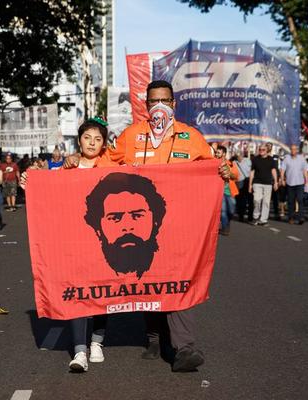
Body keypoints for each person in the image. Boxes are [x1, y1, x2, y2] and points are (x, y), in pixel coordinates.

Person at [64, 80, 228, 373]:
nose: (159, 106)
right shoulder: (131, 136)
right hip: (143, 228)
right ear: (146, 105)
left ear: (174, 104)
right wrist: (77, 161)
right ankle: (154, 337)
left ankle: (184, 348)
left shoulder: (190, 137)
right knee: (148, 282)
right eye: (153, 101)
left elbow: (215, 167)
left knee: (178, 282)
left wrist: (229, 170)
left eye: (164, 100)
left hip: (180, 226)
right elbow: (103, 161)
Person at [21, 118, 110, 372]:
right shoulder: (66, 168)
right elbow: (45, 189)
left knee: (105, 293)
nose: (92, 143)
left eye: (98, 139)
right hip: (74, 242)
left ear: (104, 144)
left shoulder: (112, 166)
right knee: (79, 294)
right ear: (79, 140)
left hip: (104, 244)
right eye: (87, 138)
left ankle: (97, 342)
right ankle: (79, 351)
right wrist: (30, 182)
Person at [249, 144, 278, 226]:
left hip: (268, 183)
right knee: (257, 200)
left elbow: (274, 171)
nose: (261, 151)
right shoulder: (255, 159)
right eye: (260, 149)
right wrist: (250, 185)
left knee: (266, 202)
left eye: (263, 150)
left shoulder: (271, 160)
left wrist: (276, 182)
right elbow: (252, 172)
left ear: (267, 150)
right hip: (257, 183)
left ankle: (263, 220)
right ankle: (256, 216)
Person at [280, 144, 308, 224]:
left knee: (300, 199)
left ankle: (301, 217)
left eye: (295, 149)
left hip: (300, 183)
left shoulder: (302, 159)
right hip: (290, 183)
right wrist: (282, 180)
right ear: (290, 150)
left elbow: (305, 171)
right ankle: (291, 217)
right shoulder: (286, 159)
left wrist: (307, 182)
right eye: (292, 149)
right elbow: (282, 170)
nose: (293, 151)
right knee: (291, 201)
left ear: (297, 150)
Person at [215, 145, 239, 235]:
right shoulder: (213, 163)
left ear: (224, 154)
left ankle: (227, 223)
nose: (216, 154)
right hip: (220, 192)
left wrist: (229, 173)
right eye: (216, 152)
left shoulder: (231, 164)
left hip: (230, 191)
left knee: (231, 210)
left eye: (218, 152)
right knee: (223, 211)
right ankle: (225, 228)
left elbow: (236, 176)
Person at [233, 151, 252, 222]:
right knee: (240, 199)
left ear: (242, 155)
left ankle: (250, 216)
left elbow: (251, 170)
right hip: (239, 182)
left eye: (240, 156)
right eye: (237, 157)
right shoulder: (234, 162)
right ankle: (241, 215)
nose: (239, 158)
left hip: (247, 181)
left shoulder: (248, 161)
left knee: (250, 199)